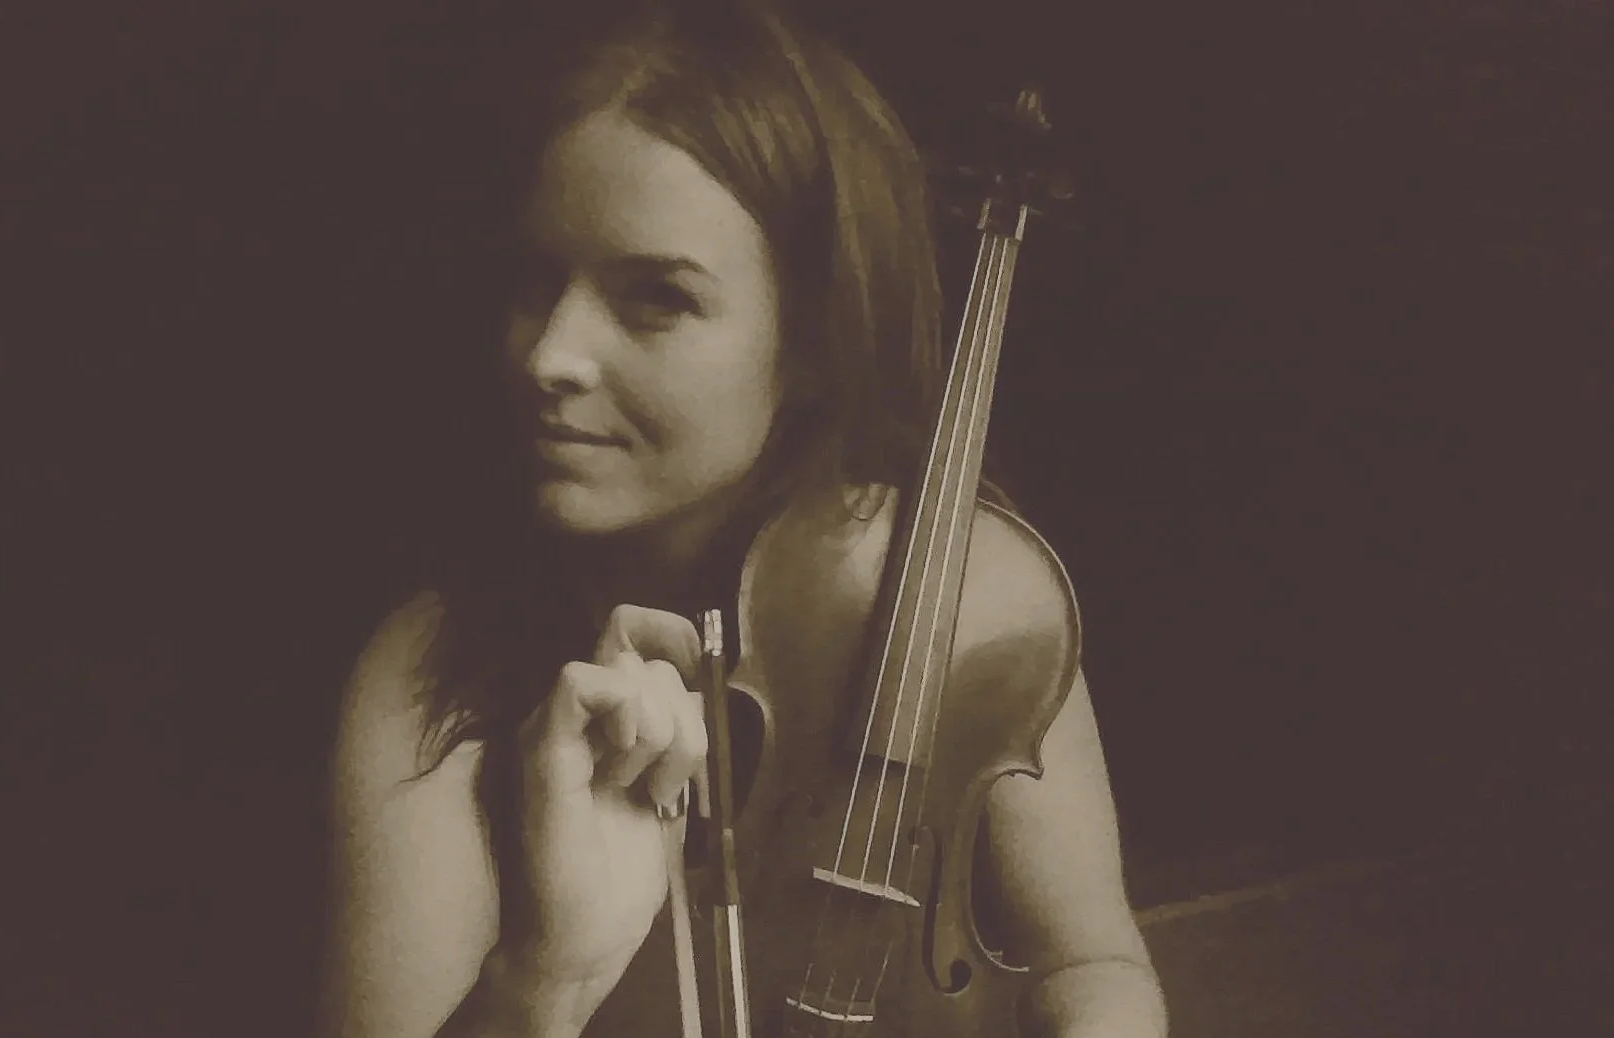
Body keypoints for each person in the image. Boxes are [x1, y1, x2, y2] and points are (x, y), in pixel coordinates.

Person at [323, 1, 1166, 1035]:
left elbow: (1091, 965)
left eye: (655, 298)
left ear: (812, 340)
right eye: (538, 281)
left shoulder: (967, 596)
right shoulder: (431, 673)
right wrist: (547, 974)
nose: (550, 355)